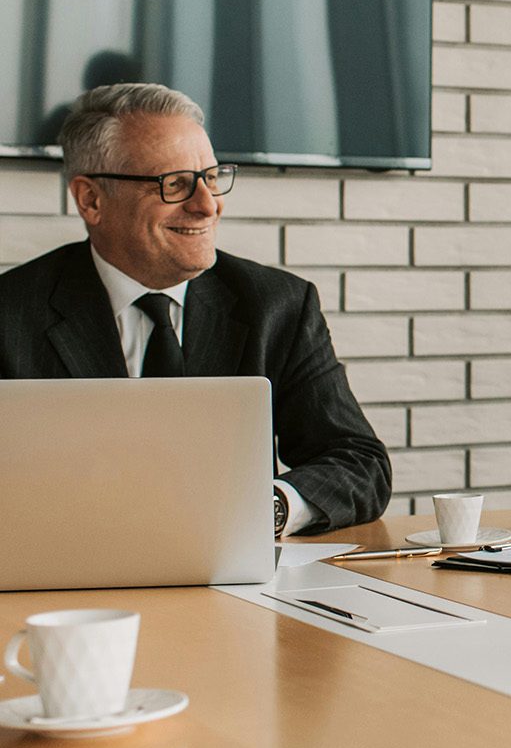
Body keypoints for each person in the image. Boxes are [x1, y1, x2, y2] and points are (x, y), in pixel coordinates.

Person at [0, 83, 391, 536]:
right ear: (91, 200)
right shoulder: (11, 314)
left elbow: (360, 463)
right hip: (66, 569)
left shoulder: (277, 305)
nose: (208, 205)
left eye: (212, 177)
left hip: (230, 573)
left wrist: (269, 509)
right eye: (174, 184)